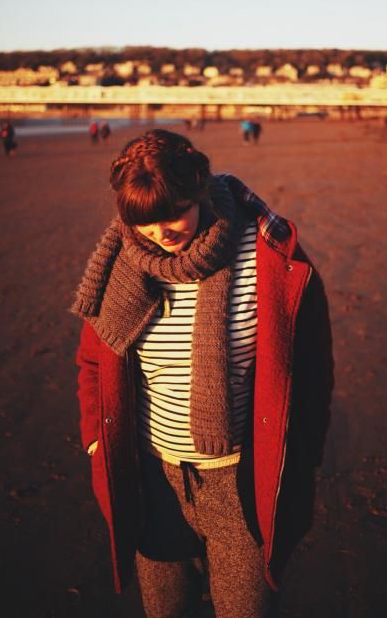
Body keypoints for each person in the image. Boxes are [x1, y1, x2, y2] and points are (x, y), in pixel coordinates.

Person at [70, 129, 334, 616]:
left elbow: (313, 372)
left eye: (173, 215)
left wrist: (302, 458)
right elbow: (92, 361)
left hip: (240, 482)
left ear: (200, 191)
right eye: (144, 223)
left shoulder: (266, 257)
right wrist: (94, 439)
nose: (161, 234)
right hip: (152, 478)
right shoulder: (122, 264)